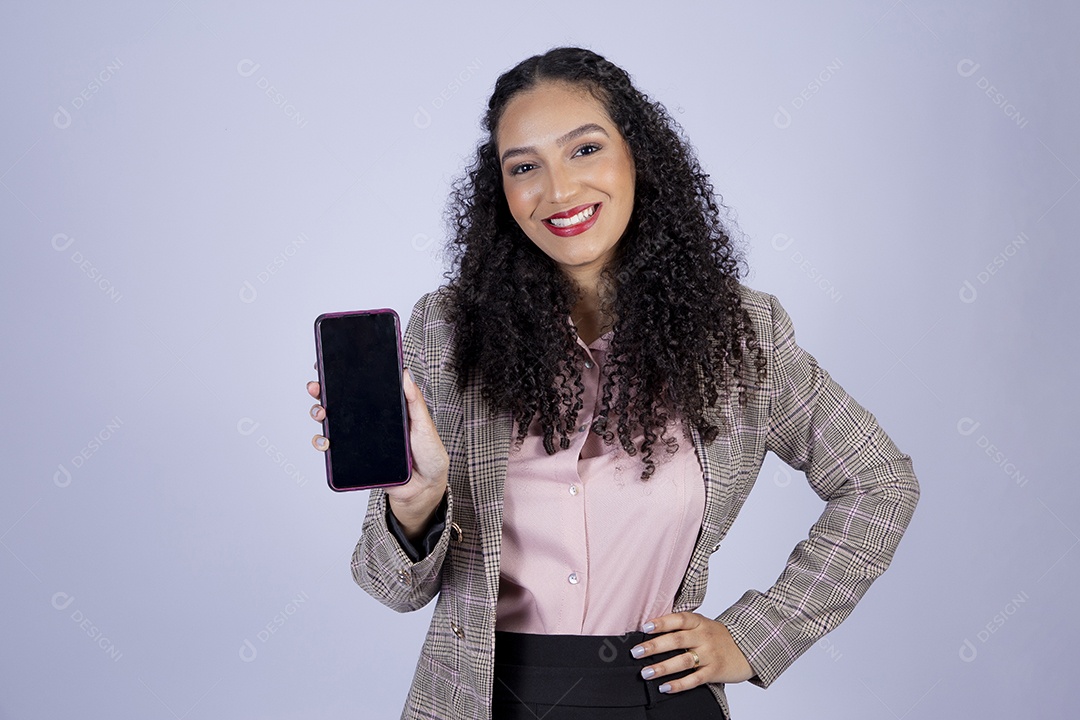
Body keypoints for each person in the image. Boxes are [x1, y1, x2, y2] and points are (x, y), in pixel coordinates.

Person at [306, 46, 919, 720]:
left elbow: (879, 481)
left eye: (584, 149)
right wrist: (417, 499)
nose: (559, 190)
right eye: (524, 167)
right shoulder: (447, 334)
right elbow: (388, 586)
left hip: (657, 697)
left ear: (638, 155)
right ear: (500, 191)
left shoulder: (743, 333)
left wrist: (754, 638)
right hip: (487, 698)